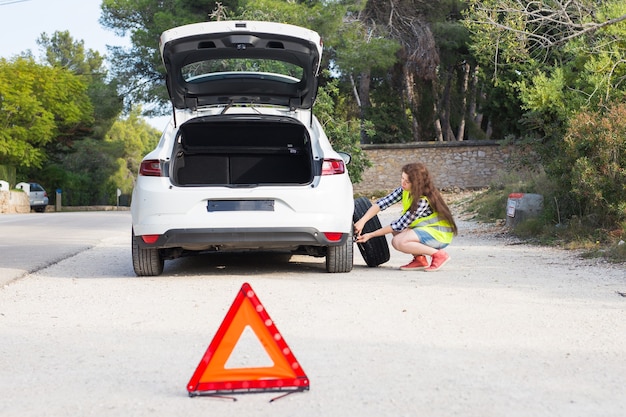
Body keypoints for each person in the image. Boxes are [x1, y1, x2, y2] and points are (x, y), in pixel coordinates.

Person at [354, 162, 458, 271]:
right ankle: (420, 260)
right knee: (397, 232)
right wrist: (362, 221)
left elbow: (398, 225)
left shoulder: (422, 200)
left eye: (407, 181)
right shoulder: (405, 190)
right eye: (402, 178)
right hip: (427, 230)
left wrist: (370, 235)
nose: (403, 183)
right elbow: (382, 203)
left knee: (398, 242)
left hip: (439, 235)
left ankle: (439, 255)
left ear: (417, 183)